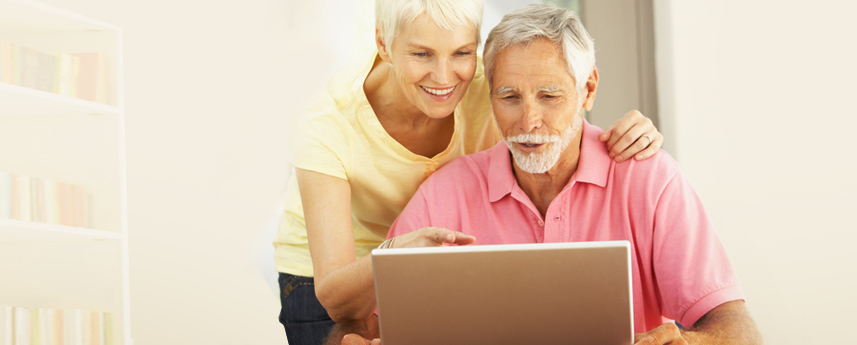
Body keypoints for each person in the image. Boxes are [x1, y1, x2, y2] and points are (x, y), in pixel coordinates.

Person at [338, 4, 761, 345]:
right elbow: (360, 323)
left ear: (588, 90)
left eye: (549, 96)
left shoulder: (649, 180)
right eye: (510, 97)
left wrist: (694, 343)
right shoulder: (445, 195)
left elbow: (738, 327)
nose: (529, 121)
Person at [273, 0, 668, 344]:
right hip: (335, 273)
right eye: (422, 55)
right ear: (383, 45)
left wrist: (630, 129)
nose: (444, 78)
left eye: (461, 53)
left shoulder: (495, 87)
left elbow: (560, 118)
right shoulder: (326, 124)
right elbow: (333, 294)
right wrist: (395, 254)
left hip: (435, 257)